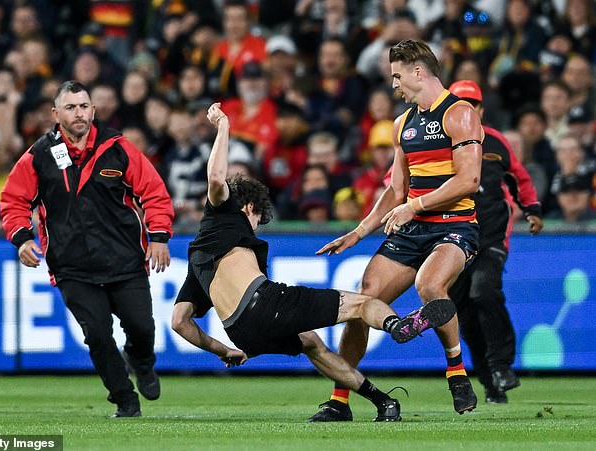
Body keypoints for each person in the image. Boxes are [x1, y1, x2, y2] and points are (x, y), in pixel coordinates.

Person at [171, 103, 459, 422]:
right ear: (248, 206)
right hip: (266, 304)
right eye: (258, 219)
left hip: (240, 333)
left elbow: (180, 322)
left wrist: (222, 350)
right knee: (363, 304)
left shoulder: (196, 258)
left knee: (312, 343)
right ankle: (398, 325)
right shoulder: (223, 214)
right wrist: (223, 125)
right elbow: (215, 177)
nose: (256, 226)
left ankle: (382, 402)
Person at [309, 39, 484, 421]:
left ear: (418, 71)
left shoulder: (460, 114)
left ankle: (455, 370)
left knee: (430, 285)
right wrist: (358, 232)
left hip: (455, 225)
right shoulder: (402, 124)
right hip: (412, 227)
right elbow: (395, 189)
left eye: (397, 76)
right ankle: (341, 399)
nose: (394, 85)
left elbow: (469, 179)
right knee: (361, 303)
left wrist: (414, 206)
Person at [0, 81, 175, 418]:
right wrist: (21, 238)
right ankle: (125, 399)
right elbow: (13, 200)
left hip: (124, 260)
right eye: (71, 107)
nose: (78, 113)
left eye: (83, 106)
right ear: (55, 114)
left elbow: (154, 192)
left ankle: (141, 361)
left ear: (93, 110)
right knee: (96, 334)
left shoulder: (119, 148)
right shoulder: (38, 155)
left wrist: (159, 236)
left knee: (142, 327)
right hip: (72, 268)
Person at [448, 80, 544, 404]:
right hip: (453, 239)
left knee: (484, 292)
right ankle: (492, 382)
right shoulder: (436, 144)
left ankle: (502, 366)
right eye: (459, 104)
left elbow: (519, 177)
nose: (465, 111)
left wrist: (531, 209)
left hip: (490, 235)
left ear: (480, 110)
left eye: (470, 105)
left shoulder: (496, 142)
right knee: (466, 316)